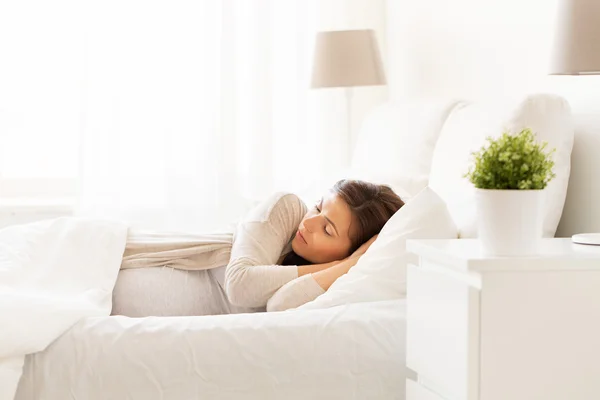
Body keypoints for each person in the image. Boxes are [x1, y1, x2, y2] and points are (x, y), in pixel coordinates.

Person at [111, 179, 404, 317]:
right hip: (115, 269)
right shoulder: (286, 208)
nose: (310, 223)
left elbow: (279, 306)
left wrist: (349, 267)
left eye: (327, 229)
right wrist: (348, 263)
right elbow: (240, 285)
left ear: (347, 250)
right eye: (318, 207)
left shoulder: (334, 283)